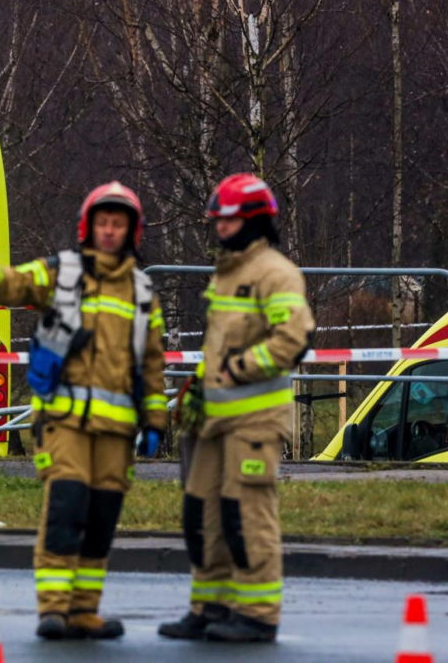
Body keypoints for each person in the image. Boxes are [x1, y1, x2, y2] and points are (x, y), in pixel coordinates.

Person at [0, 182, 168, 642]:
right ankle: (53, 610)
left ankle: (84, 613)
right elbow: (17, 285)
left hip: (116, 431)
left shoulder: (142, 292)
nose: (111, 231)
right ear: (89, 227)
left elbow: (152, 362)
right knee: (67, 508)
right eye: (104, 223)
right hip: (65, 424)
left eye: (118, 224)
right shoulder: (64, 271)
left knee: (101, 518)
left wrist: (156, 420)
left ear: (131, 230)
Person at [158, 173, 315, 643]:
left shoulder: (276, 272)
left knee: (247, 517)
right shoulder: (228, 273)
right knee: (203, 516)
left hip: (254, 421)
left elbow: (294, 338)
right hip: (213, 421)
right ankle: (210, 607)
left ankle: (258, 614)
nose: (220, 229)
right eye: (217, 221)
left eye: (227, 220)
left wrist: (240, 367)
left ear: (253, 221)